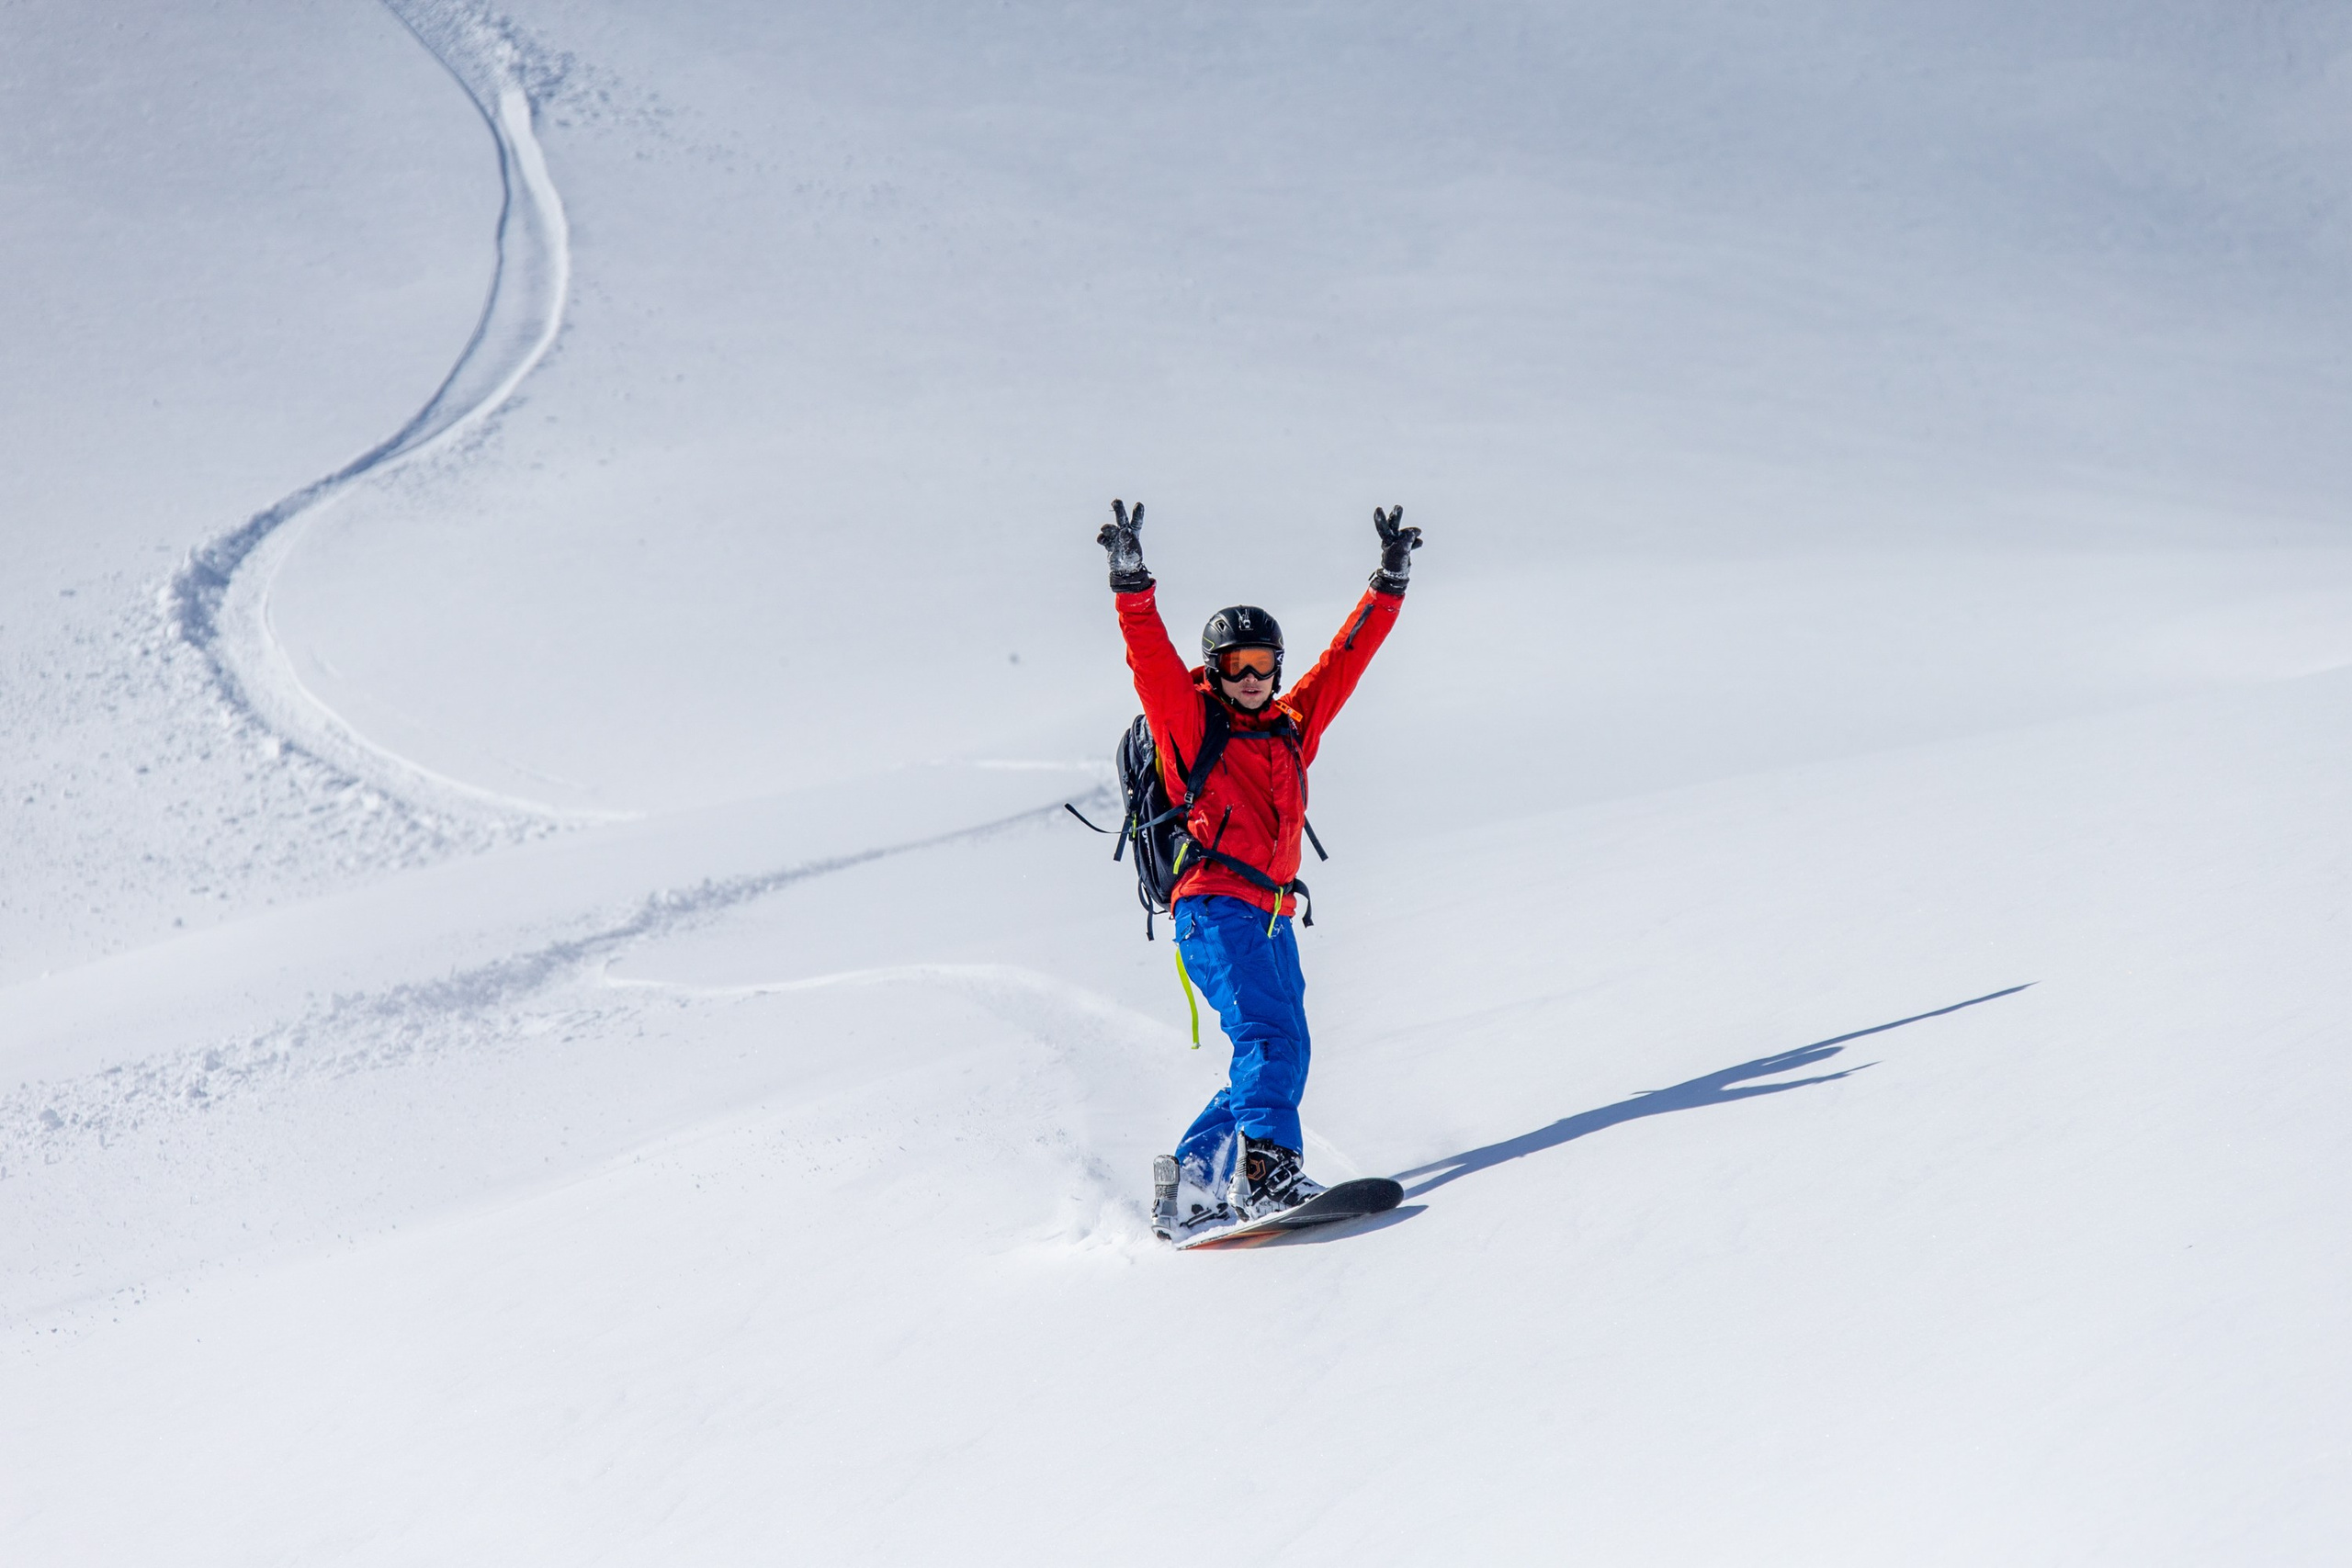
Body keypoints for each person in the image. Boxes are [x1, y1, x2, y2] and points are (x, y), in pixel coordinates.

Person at [1095, 498, 1421, 1241]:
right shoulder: (1191, 724)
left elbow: (1344, 664)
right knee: (1268, 1041)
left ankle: (1190, 1180)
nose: (1252, 677)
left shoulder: (1288, 726)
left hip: (1270, 911)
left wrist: (1386, 588)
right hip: (1213, 905)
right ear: (1214, 669)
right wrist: (1131, 581)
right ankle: (1268, 1175)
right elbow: (1147, 658)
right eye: (1237, 664)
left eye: (1264, 663)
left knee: (1282, 1047)